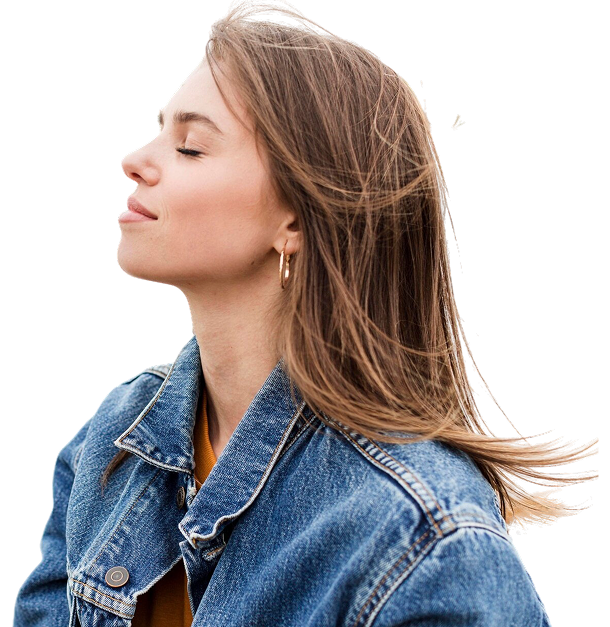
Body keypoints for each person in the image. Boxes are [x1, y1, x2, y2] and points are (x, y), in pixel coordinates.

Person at [13, 1, 598, 625]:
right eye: (158, 131)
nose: (134, 159)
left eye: (190, 147)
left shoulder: (424, 536)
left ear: (294, 217)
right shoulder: (111, 437)